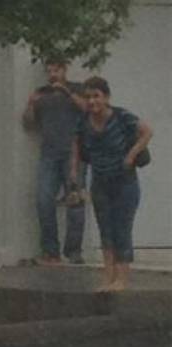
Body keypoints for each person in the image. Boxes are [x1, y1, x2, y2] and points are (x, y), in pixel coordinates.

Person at [72, 76, 154, 292]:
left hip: (125, 182)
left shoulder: (121, 116)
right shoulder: (82, 122)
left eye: (96, 96)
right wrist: (74, 176)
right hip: (100, 183)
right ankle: (108, 277)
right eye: (88, 97)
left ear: (106, 97)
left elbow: (147, 131)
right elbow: (76, 148)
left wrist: (131, 154)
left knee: (122, 229)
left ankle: (122, 279)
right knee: (105, 230)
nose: (92, 102)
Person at [22, 59, 87, 265]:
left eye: (56, 69)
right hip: (49, 153)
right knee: (43, 200)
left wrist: (66, 92)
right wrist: (31, 104)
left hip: (73, 153)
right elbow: (29, 123)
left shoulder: (77, 89)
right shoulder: (42, 92)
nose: (52, 74)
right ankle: (51, 252)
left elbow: (87, 109)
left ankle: (74, 252)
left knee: (75, 201)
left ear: (64, 69)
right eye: (49, 70)